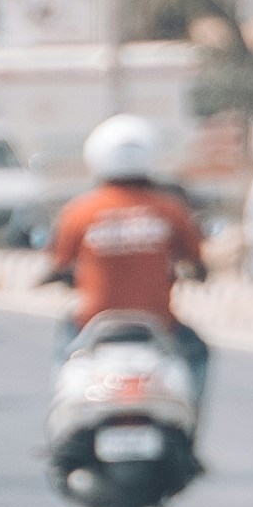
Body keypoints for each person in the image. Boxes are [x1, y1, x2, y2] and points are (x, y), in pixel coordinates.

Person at [44, 116, 217, 418]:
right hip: (159, 324)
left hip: (91, 323)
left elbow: (59, 263)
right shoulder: (169, 209)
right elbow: (196, 262)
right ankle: (188, 426)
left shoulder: (80, 210)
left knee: (64, 357)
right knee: (199, 355)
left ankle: (62, 421)